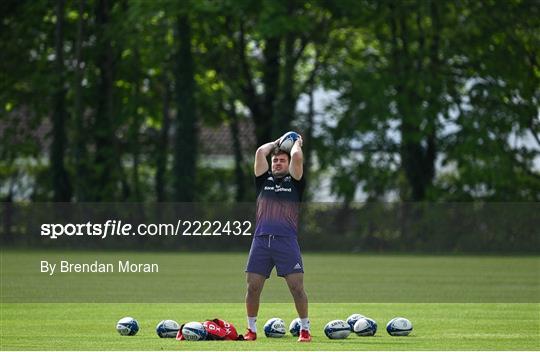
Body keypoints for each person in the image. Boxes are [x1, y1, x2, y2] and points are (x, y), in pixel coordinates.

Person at [244, 134, 311, 342]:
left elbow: (298, 158)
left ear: (288, 163)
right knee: (253, 287)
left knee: (297, 288)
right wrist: (278, 143)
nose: (277, 162)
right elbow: (259, 152)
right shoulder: (263, 180)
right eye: (275, 160)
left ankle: (305, 330)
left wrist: (296, 144)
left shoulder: (295, 182)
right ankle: (251, 330)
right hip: (261, 240)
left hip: (286, 241)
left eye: (282, 160)